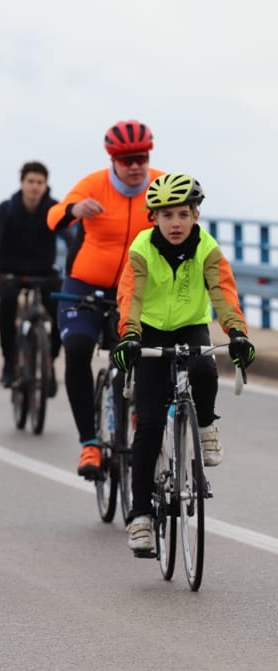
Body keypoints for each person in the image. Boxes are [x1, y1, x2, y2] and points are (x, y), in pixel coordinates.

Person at [111, 173, 255, 554]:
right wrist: (129, 336)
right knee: (150, 427)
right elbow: (132, 296)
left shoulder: (207, 248)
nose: (175, 223)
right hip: (150, 332)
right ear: (153, 218)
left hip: (191, 327)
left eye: (183, 214)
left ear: (195, 215)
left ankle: (205, 426)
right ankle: (140, 517)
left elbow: (222, 293)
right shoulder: (141, 248)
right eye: (167, 215)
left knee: (206, 369)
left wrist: (237, 332)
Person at [46, 119, 165, 480]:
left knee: (143, 354)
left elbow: (188, 221)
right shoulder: (94, 184)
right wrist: (74, 211)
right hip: (85, 284)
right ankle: (90, 443)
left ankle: (136, 411)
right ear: (113, 159)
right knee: (79, 348)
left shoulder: (160, 185)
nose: (134, 166)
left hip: (137, 289)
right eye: (126, 159)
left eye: (140, 158)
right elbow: (53, 218)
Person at [0, 161, 65, 388]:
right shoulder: (7, 208)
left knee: (62, 311)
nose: (35, 187)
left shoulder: (53, 208)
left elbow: (71, 236)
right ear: (22, 183)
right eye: (31, 181)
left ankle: (49, 362)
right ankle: (9, 362)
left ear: (46, 185)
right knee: (7, 308)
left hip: (44, 271)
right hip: (11, 271)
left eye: (40, 182)